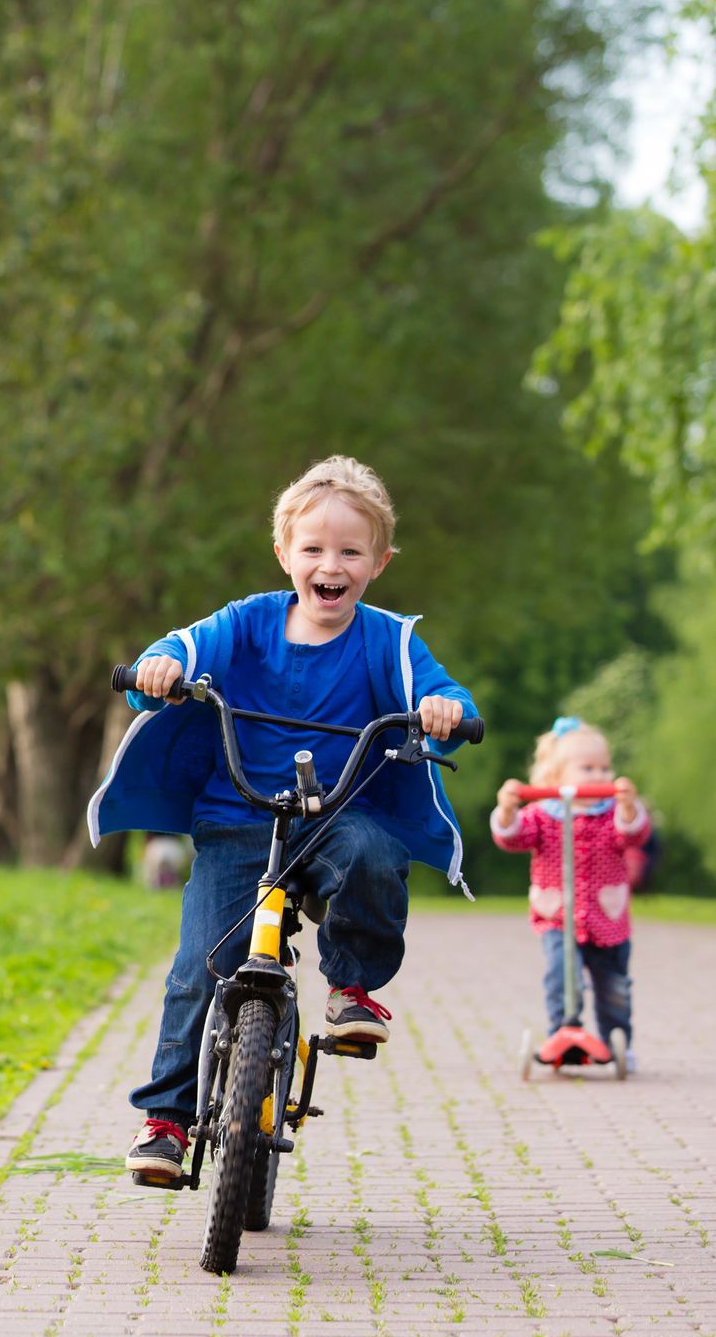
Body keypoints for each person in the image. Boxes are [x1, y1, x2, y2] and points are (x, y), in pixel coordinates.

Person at [86, 456, 479, 1185]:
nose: (329, 565)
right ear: (283, 554)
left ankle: (351, 987)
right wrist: (159, 669)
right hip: (238, 819)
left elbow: (439, 688)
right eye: (313, 549)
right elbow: (182, 647)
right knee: (197, 967)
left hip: (336, 818)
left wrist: (445, 709)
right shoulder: (247, 622)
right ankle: (166, 1120)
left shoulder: (385, 639)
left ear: (378, 562)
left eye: (349, 552)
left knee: (373, 854)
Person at [489, 717, 649, 1070]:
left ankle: (617, 1039)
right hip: (558, 916)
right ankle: (564, 1029)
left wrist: (628, 807)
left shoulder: (610, 815)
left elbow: (633, 835)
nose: (599, 775)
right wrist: (508, 809)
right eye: (588, 768)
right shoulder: (543, 815)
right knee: (562, 976)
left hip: (606, 918)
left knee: (614, 987)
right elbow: (511, 838)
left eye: (605, 768)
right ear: (556, 776)